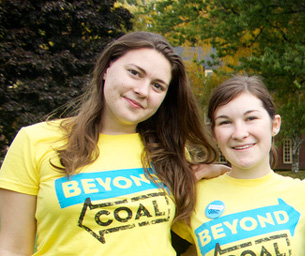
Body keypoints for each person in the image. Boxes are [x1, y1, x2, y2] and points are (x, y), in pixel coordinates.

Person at [0, 32, 217, 255]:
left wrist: (224, 175)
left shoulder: (170, 151)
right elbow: (12, 249)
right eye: (134, 73)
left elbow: (192, 238)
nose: (142, 91)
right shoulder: (35, 141)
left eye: (158, 86)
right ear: (107, 68)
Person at [171, 75, 305, 256]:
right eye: (225, 122)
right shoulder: (194, 195)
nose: (239, 133)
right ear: (214, 133)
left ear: (275, 125)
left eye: (251, 118)